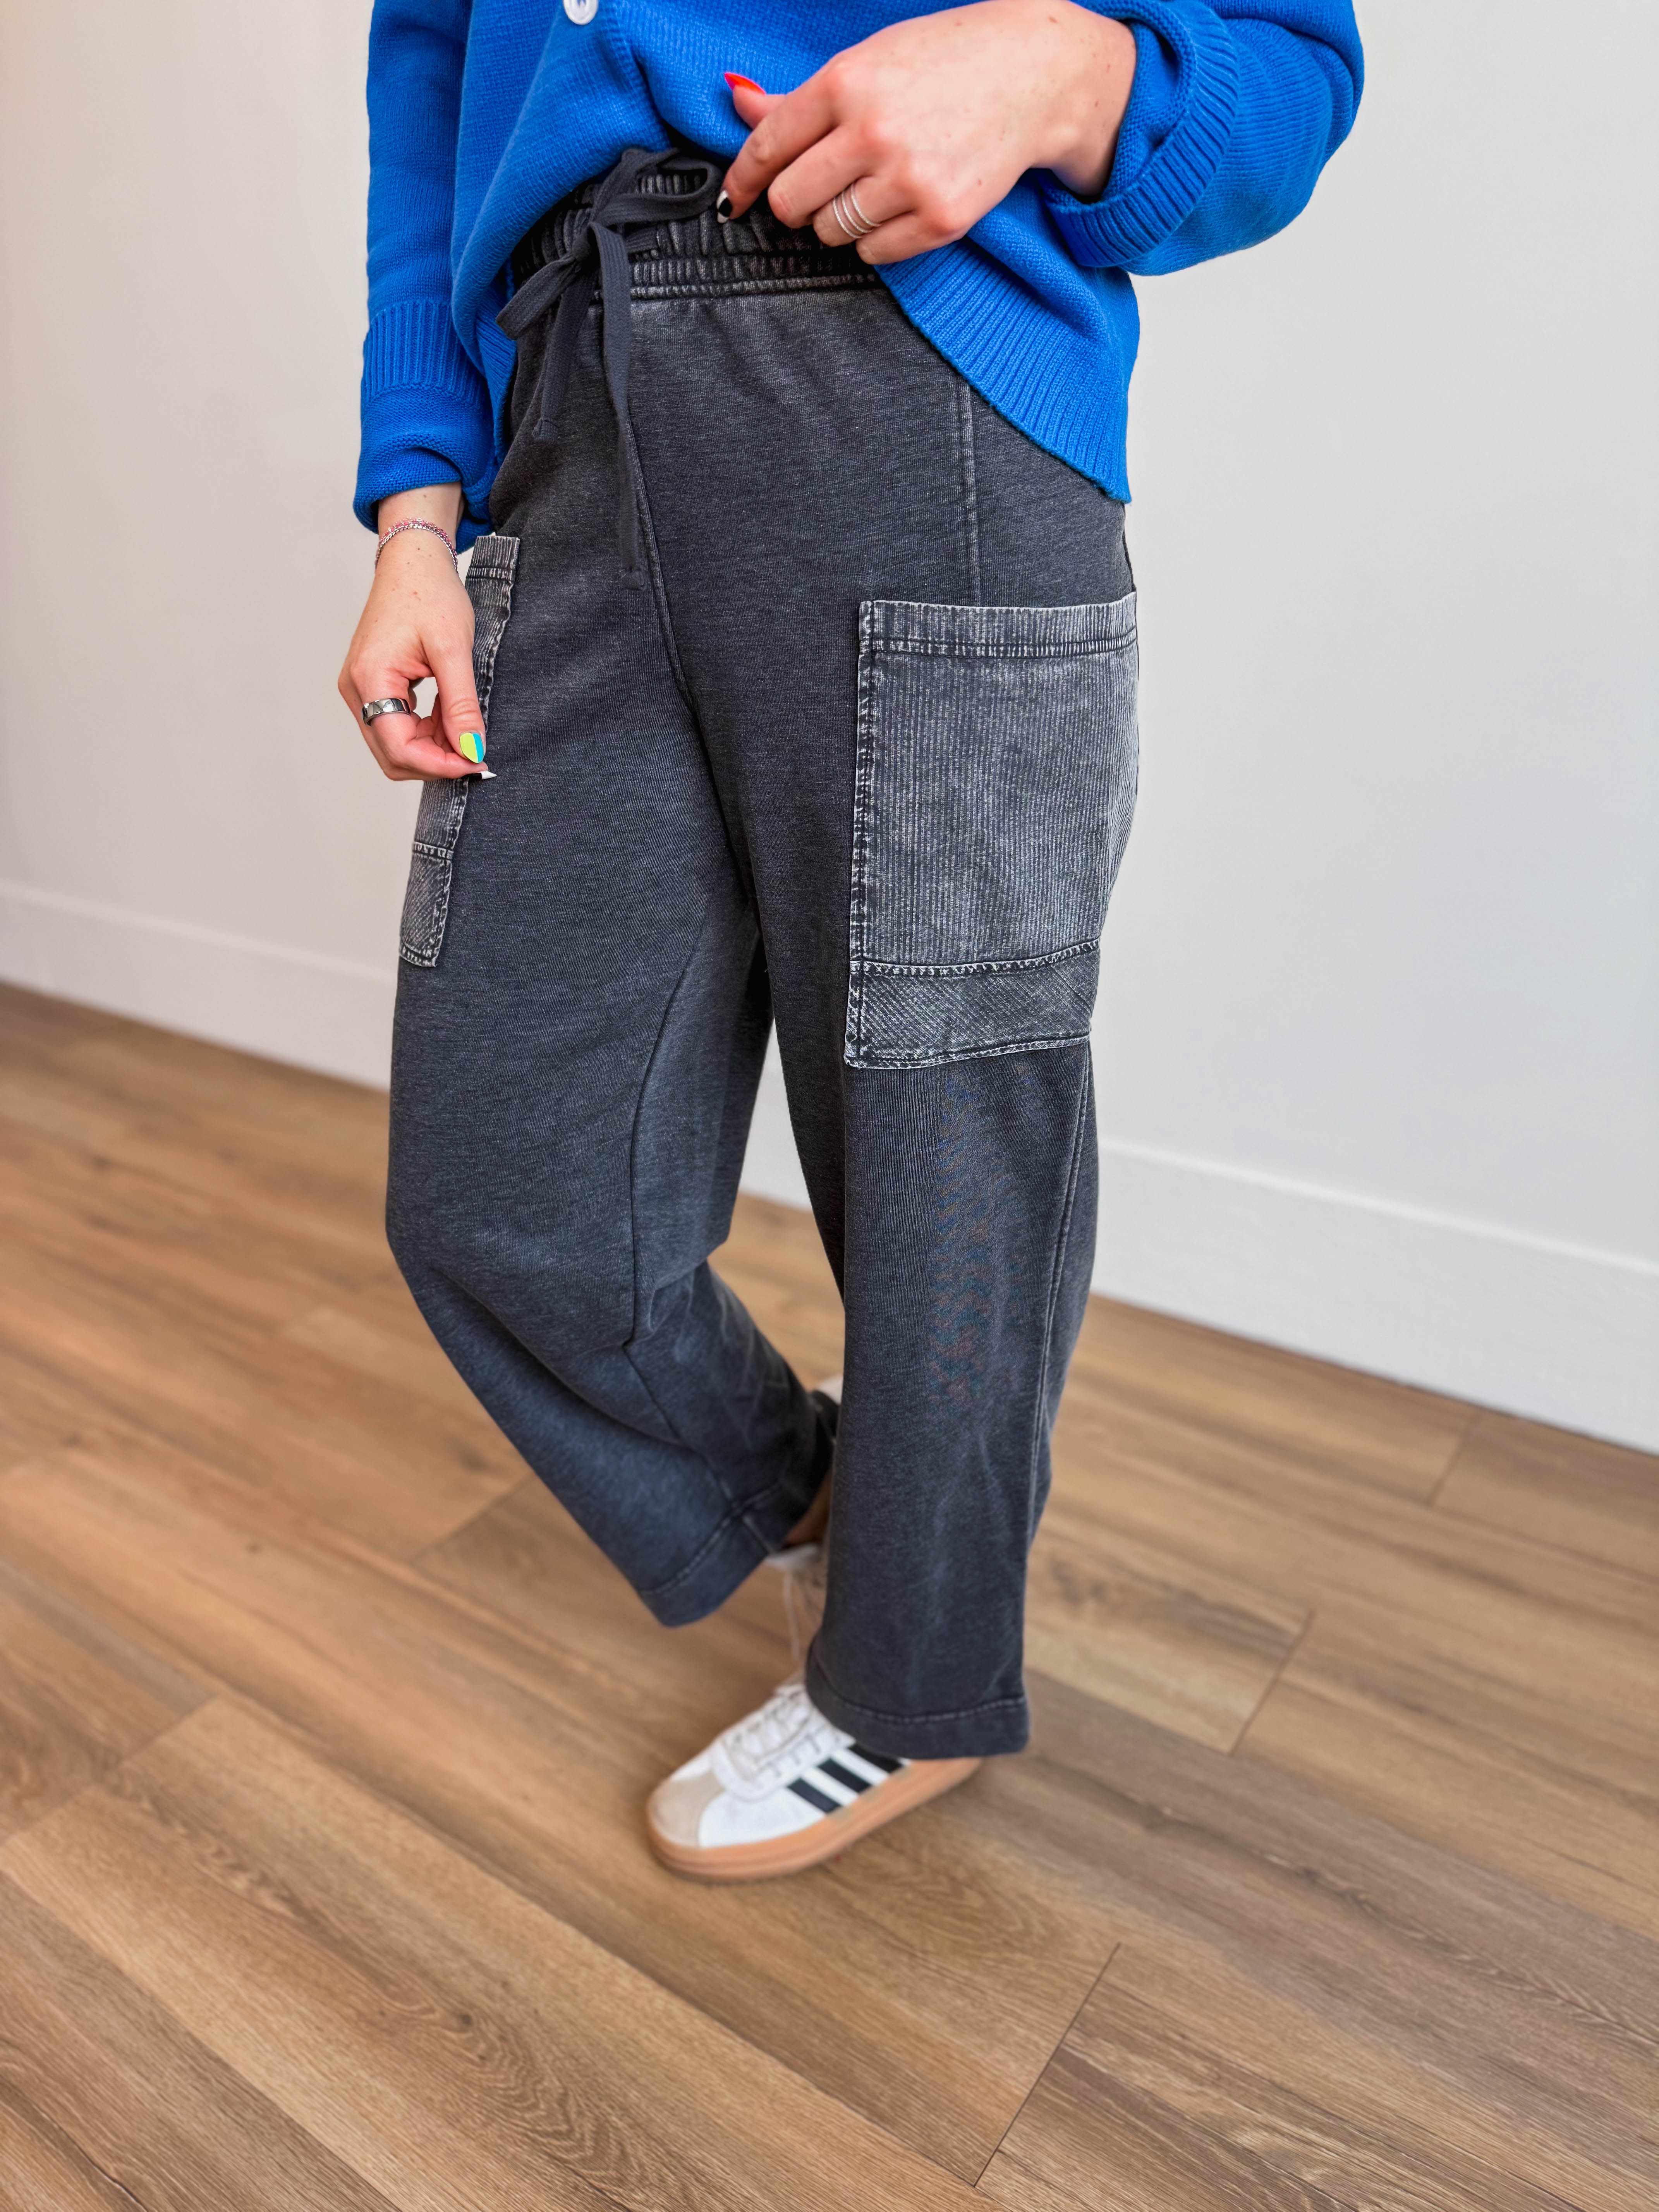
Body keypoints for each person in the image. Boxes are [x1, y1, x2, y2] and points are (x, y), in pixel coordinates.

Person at [339, 0, 1362, 1882]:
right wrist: (417, 505)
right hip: (565, 406)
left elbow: (1292, 67)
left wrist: (1065, 70)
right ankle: (828, 1493)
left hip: (915, 374)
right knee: (500, 1187)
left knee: (940, 1134)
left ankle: (913, 1679)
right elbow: (429, 88)